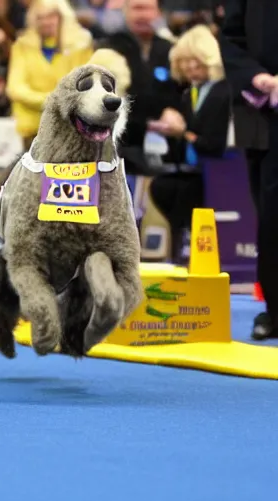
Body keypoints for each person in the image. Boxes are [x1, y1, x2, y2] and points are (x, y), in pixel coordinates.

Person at [218, 0, 278, 340]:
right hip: (262, 112)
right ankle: (275, 310)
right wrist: (257, 77)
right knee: (271, 218)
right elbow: (231, 38)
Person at [148, 24, 231, 258]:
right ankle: (179, 252)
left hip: (216, 169)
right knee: (162, 186)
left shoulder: (222, 92)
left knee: (180, 192)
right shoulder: (189, 93)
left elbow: (213, 141)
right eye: (185, 62)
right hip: (190, 167)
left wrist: (183, 132)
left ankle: (189, 251)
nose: (191, 68)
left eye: (196, 62)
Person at [99, 0, 184, 175]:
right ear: (125, 12)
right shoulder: (109, 49)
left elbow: (181, 91)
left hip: (168, 141)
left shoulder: (171, 49)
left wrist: (174, 112)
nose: (142, 15)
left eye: (147, 9)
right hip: (123, 143)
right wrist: (147, 124)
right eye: (137, 8)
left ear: (159, 13)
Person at [6, 0, 93, 151]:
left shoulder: (81, 45)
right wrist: (51, 101)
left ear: (63, 17)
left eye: (51, 16)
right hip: (31, 130)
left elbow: (83, 86)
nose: (45, 22)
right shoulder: (22, 45)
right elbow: (15, 87)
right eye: (40, 17)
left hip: (70, 128)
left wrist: (57, 103)